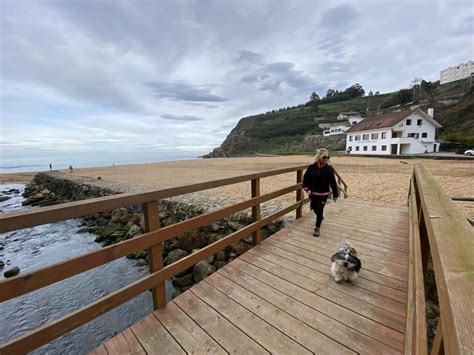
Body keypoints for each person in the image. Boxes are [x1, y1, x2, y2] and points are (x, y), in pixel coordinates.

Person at [303, 148, 339, 237]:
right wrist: (306, 186)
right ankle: (320, 217)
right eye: (324, 157)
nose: (326, 159)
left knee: (320, 209)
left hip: (324, 193)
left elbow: (333, 182)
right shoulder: (312, 167)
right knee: (314, 208)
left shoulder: (329, 169)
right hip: (313, 192)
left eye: (328, 157)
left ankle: (317, 227)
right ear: (319, 157)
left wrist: (335, 195)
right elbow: (306, 177)